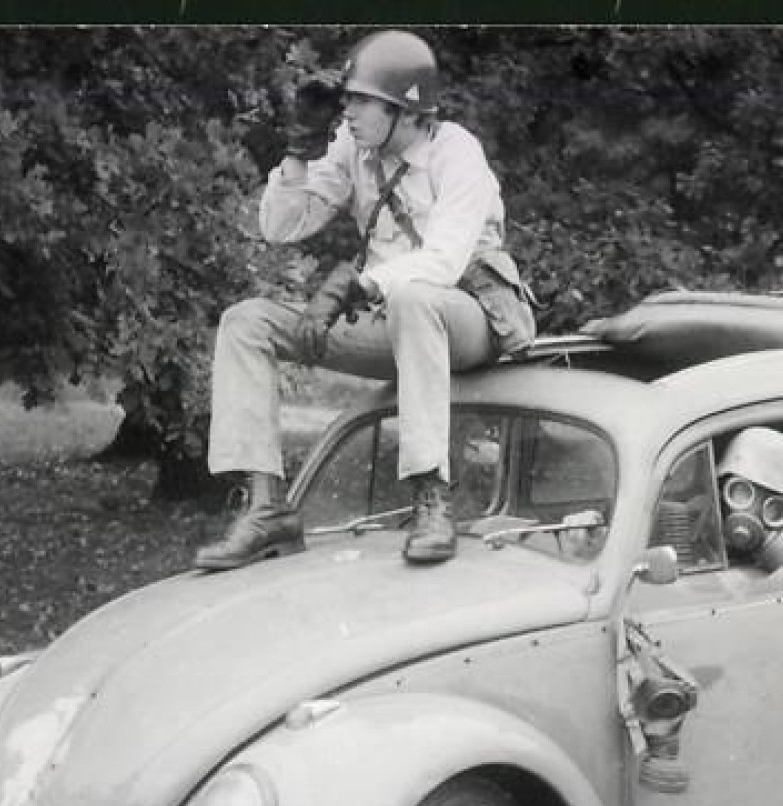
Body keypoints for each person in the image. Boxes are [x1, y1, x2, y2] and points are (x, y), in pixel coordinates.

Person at [197, 29, 536, 570]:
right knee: (246, 322)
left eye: (361, 101)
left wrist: (361, 285)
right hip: (392, 322)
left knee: (414, 299)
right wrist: (297, 154)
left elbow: (445, 263)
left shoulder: (457, 153)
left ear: (405, 108)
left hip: (468, 319)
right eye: (347, 99)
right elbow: (281, 227)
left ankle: (431, 495)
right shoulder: (354, 148)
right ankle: (266, 507)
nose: (348, 113)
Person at [717, 427, 783, 572]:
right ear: (723, 489)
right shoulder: (700, 539)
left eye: (772, 504)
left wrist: (780, 554)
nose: (753, 509)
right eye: (744, 491)